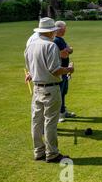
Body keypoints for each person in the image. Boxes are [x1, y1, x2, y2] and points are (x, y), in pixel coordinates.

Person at [24, 17, 74, 163]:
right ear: (51, 32)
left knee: (36, 122)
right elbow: (55, 70)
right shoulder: (50, 46)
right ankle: (52, 154)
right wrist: (69, 69)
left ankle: (38, 152)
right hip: (51, 89)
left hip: (37, 89)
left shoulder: (30, 46)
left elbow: (30, 70)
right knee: (50, 122)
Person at [54, 21, 76, 123]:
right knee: (59, 93)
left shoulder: (61, 39)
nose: (65, 30)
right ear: (58, 29)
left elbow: (70, 50)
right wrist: (67, 50)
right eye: (64, 28)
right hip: (60, 70)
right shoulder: (56, 40)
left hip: (65, 70)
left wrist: (68, 49)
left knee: (63, 92)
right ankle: (58, 115)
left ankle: (63, 111)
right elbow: (65, 54)